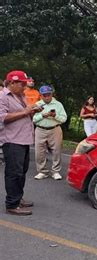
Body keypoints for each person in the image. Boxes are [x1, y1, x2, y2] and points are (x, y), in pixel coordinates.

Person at [0, 70, 41, 215]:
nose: (24, 86)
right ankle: (12, 204)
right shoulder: (3, 97)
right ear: (12, 82)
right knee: (13, 173)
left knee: (22, 172)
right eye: (22, 84)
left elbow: (24, 113)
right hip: (12, 140)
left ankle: (18, 197)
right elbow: (3, 117)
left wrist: (32, 111)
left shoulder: (21, 96)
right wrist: (25, 112)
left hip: (23, 139)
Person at [32, 85, 67, 180]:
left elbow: (64, 118)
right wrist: (42, 116)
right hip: (40, 129)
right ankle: (42, 171)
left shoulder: (58, 104)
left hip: (55, 129)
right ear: (41, 95)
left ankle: (55, 171)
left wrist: (55, 116)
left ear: (52, 94)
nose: (47, 97)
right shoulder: (37, 104)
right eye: (44, 95)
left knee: (56, 150)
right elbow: (33, 119)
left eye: (48, 95)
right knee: (39, 151)